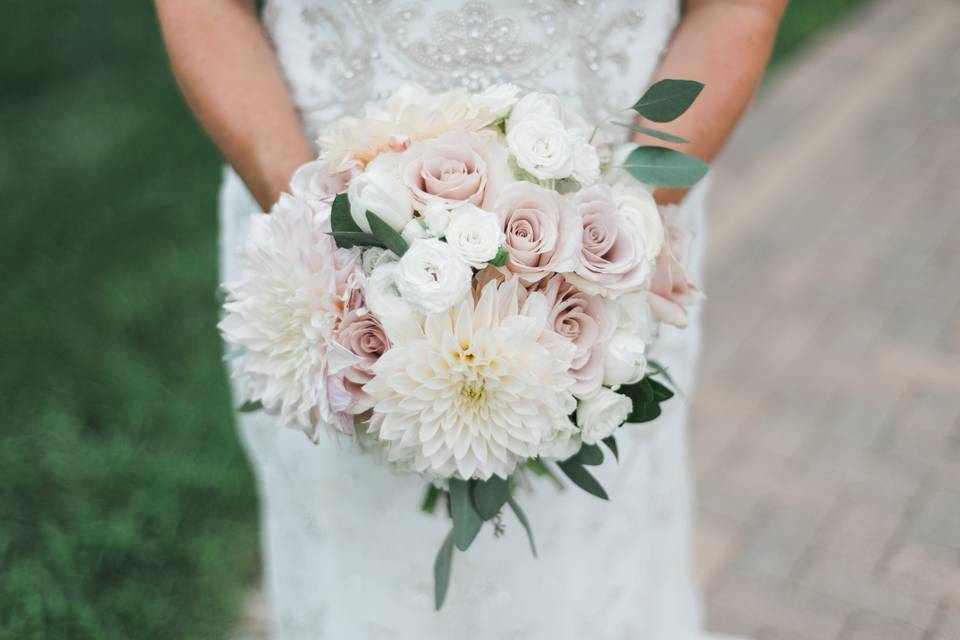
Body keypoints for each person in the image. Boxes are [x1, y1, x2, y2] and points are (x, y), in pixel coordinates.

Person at [156, 1, 787, 638]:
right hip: (312, 214)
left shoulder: (606, 258)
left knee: (590, 571)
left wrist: (600, 260)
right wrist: (320, 234)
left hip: (608, 224)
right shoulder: (317, 247)